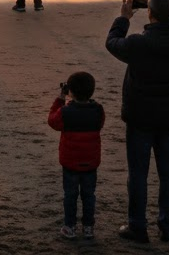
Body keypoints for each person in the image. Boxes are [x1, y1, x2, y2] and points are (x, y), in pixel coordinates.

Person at [106, 0, 169, 244]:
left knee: (138, 174)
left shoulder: (138, 43)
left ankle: (137, 225)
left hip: (140, 115)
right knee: (168, 173)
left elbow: (112, 43)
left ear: (150, 13)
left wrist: (123, 18)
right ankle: (167, 225)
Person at [48, 71, 105, 240]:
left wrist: (60, 99)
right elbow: (100, 123)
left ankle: (70, 226)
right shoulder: (98, 110)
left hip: (70, 163)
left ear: (70, 91)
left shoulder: (65, 112)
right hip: (90, 162)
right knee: (89, 196)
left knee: (70, 196)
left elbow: (52, 121)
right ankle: (88, 227)